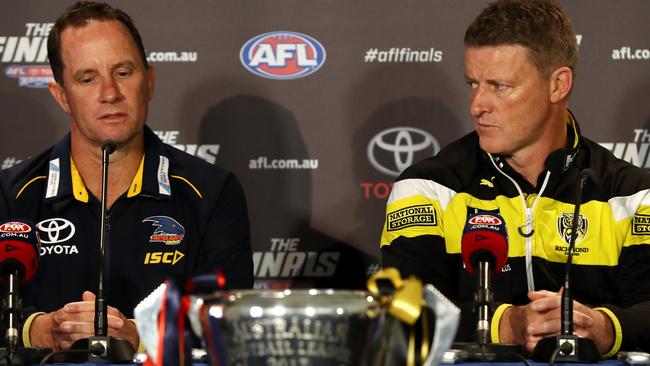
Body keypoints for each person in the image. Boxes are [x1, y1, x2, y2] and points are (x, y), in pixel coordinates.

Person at [380, 0, 650, 357]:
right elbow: (399, 314)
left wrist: (604, 328)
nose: (478, 104)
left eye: (500, 86)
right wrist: (506, 325)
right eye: (473, 83)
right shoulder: (428, 187)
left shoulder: (632, 194)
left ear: (558, 85)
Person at [0, 1, 253, 352]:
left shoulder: (212, 192)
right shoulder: (11, 194)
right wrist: (39, 330)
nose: (110, 93)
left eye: (123, 72)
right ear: (62, 97)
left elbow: (231, 324)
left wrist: (139, 337)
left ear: (148, 81)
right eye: (87, 78)